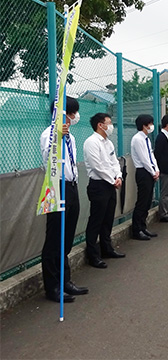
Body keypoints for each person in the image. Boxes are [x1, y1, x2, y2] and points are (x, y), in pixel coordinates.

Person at [40, 97, 88, 303]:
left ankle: (65, 280)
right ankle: (52, 287)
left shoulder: (71, 137)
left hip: (71, 186)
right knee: (54, 238)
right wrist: (57, 138)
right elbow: (48, 161)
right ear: (61, 113)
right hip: (55, 187)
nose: (75, 117)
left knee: (67, 237)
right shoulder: (49, 134)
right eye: (71, 112)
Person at [83, 113, 125, 269]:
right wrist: (113, 179)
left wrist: (118, 176)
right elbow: (97, 166)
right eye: (109, 122)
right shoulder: (91, 142)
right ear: (100, 125)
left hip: (110, 184)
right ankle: (93, 255)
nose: (111, 125)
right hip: (99, 185)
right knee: (96, 220)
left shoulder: (108, 143)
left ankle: (107, 249)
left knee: (108, 219)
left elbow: (114, 162)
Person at [131, 114, 159, 240]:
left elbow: (151, 155)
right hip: (143, 172)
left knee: (148, 201)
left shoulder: (146, 139)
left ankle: (143, 227)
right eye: (150, 124)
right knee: (142, 202)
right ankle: (137, 230)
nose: (151, 126)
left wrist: (156, 169)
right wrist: (153, 172)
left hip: (149, 171)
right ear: (144, 125)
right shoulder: (137, 139)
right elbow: (144, 159)